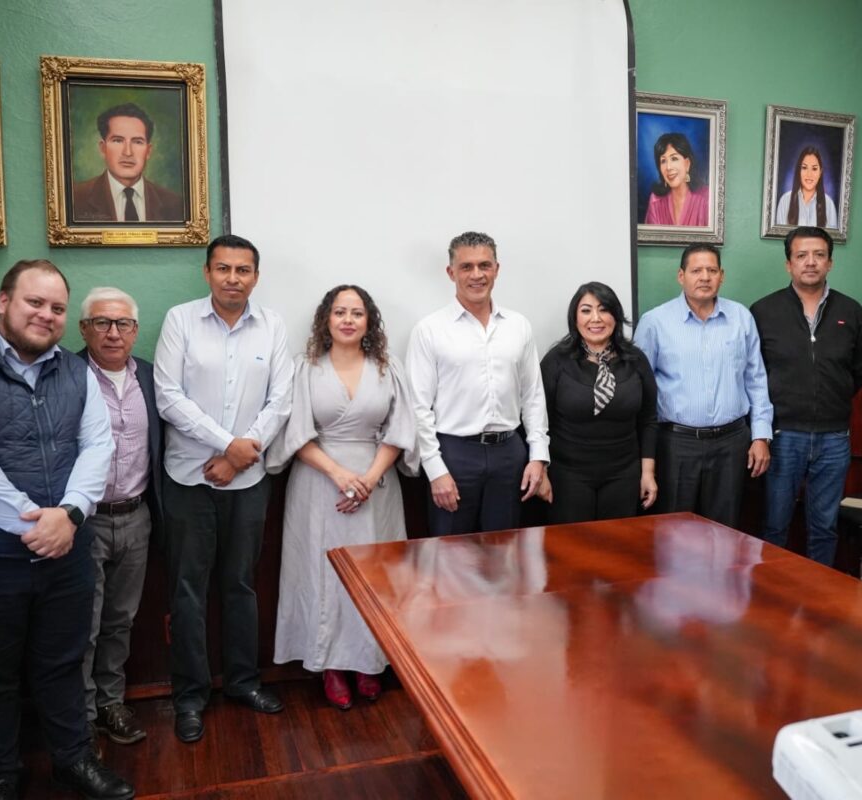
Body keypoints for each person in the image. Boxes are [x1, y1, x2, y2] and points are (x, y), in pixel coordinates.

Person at [0, 260, 132, 800]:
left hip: (66, 553)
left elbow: (97, 446)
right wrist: (36, 522)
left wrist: (71, 515)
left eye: (57, 308)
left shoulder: (77, 372)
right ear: (3, 301)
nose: (46, 315)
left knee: (63, 665)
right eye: (35, 302)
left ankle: (73, 761)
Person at [153, 234, 292, 744]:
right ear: (207, 272)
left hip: (249, 480)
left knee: (241, 584)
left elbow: (281, 399)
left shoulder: (273, 325)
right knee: (188, 590)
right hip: (188, 479)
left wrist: (240, 454)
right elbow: (168, 397)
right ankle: (190, 696)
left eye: (243, 270)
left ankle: (243, 681)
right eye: (224, 268)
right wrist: (227, 444)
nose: (233, 278)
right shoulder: (180, 321)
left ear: (256, 276)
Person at [267, 285, 416, 710]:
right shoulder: (305, 368)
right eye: (339, 312)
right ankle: (330, 664)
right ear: (325, 319)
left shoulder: (388, 367)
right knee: (323, 575)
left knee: (376, 575)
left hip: (376, 485)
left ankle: (370, 662)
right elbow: (295, 433)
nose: (348, 320)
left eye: (356, 313)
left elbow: (401, 430)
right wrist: (339, 474)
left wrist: (367, 479)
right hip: (319, 483)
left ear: (369, 321)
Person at [406, 231, 551, 537]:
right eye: (466, 267)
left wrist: (538, 455)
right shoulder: (429, 330)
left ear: (496, 269)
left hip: (509, 454)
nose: (477, 275)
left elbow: (533, 396)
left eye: (484, 265)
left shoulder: (518, 326)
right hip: (454, 454)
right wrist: (435, 470)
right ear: (451, 273)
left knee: (505, 550)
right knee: (451, 553)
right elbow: (418, 408)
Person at [751, 227, 862, 566]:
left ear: (830, 263)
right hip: (782, 436)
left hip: (834, 437)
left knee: (824, 527)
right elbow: (753, 374)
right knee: (775, 525)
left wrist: (833, 398)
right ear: (788, 264)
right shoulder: (763, 311)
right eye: (801, 255)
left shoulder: (851, 310)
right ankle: (770, 589)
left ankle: (820, 594)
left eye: (819, 255)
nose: (810, 262)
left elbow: (861, 370)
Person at [76, 287, 162, 748]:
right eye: (102, 323)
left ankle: (111, 703)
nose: (113, 333)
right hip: (82, 522)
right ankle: (82, 716)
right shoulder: (64, 374)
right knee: (82, 625)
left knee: (120, 620)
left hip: (136, 516)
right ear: (84, 329)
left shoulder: (150, 375)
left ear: (135, 330)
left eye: (123, 324)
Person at [634, 244, 773, 529]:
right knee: (673, 531)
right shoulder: (655, 322)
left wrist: (761, 436)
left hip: (731, 443)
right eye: (696, 270)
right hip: (675, 443)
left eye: (712, 270)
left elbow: (756, 379)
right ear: (681, 276)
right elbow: (640, 389)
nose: (705, 277)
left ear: (722, 275)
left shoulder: (741, 318)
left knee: (723, 531)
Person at [540, 281, 659, 523]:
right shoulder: (556, 360)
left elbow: (648, 420)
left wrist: (648, 473)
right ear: (575, 318)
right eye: (586, 310)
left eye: (604, 309)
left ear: (616, 316)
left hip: (624, 473)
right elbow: (539, 421)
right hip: (568, 474)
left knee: (616, 543)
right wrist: (541, 470)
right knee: (573, 543)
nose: (596, 318)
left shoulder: (636, 360)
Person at [72, 102, 185, 223]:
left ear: (148, 151)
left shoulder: (175, 204)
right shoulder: (75, 198)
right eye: (117, 140)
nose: (128, 152)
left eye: (137, 142)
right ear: (103, 148)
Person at [643, 132, 709, 226]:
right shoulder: (655, 200)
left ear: (687, 164)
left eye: (674, 159)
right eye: (663, 161)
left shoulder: (706, 198)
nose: (668, 167)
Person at [774, 146, 839, 229]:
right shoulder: (785, 201)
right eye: (804, 168)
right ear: (799, 171)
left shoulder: (829, 205)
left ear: (820, 172)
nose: (809, 174)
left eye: (814, 169)